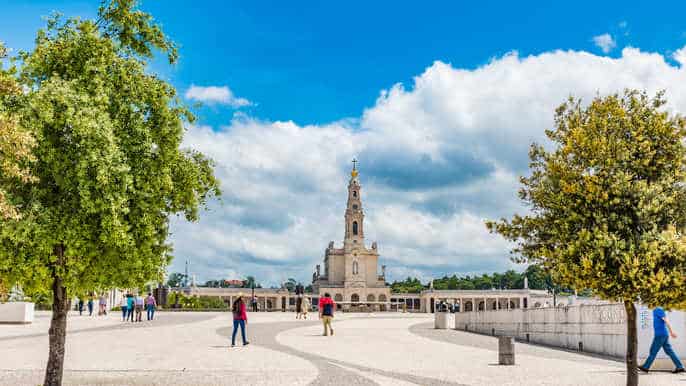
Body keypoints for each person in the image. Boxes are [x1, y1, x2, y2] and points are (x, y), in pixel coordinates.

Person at [639, 306, 685, 374]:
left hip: (660, 335)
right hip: (662, 335)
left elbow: (666, 321)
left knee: (653, 351)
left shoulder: (658, 310)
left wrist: (671, 332)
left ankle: (646, 367)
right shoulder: (655, 310)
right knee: (669, 351)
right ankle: (680, 366)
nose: (648, 305)